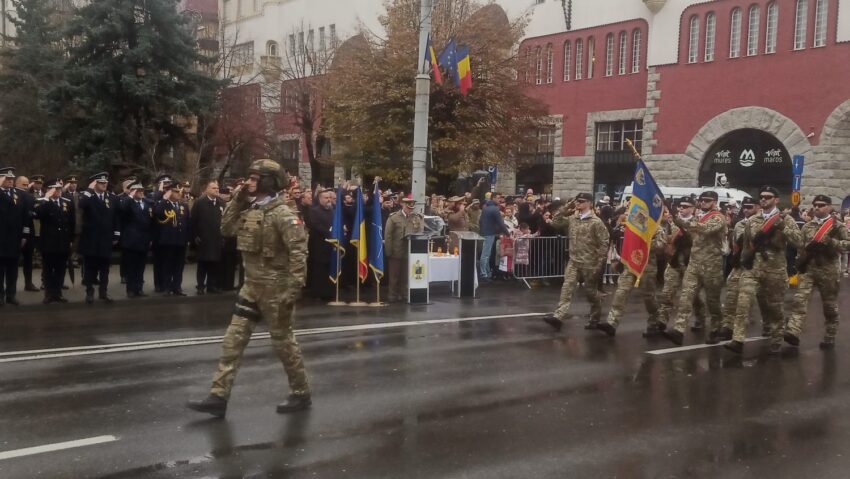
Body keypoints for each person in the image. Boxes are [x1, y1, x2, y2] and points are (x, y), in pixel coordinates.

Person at [187, 159, 311, 417]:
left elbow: (299, 254)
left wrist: (293, 290)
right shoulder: (252, 209)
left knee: (283, 344)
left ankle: (301, 392)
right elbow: (226, 228)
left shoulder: (284, 214)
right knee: (232, 341)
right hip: (251, 288)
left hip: (275, 291)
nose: (249, 182)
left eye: (255, 179)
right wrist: (238, 199)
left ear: (268, 181)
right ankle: (218, 396)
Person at [726, 186, 802, 354]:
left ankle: (776, 338)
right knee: (743, 301)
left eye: (768, 197)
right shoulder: (753, 220)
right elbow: (747, 244)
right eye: (761, 196)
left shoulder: (785, 219)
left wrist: (782, 226)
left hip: (775, 269)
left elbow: (798, 241)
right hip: (753, 268)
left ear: (776, 200)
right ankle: (737, 339)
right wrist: (743, 262)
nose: (763, 199)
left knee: (774, 307)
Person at [784, 195, 850, 349]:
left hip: (828, 270)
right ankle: (793, 331)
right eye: (815, 205)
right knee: (800, 300)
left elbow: (848, 244)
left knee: (829, 306)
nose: (817, 207)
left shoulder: (837, 226)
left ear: (829, 207)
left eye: (821, 205)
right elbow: (801, 245)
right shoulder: (808, 226)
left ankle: (830, 335)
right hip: (809, 269)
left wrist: (831, 242)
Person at [663, 191, 728, 345]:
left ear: (714, 202)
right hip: (694, 263)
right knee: (686, 295)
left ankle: (716, 328)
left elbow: (705, 229)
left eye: (707, 200)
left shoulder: (718, 217)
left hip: (711, 265)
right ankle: (679, 329)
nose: (703, 202)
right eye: (701, 200)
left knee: (712, 301)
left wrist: (682, 221)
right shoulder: (697, 217)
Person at [541, 193, 610, 331]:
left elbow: (604, 243)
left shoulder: (596, 222)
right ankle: (558, 316)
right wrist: (566, 207)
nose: (578, 203)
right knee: (567, 288)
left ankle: (595, 318)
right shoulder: (573, 218)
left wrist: (600, 264)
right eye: (577, 201)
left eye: (581, 201)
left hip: (590, 263)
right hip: (574, 261)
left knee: (591, 293)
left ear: (590, 203)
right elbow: (555, 222)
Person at [596, 215, 667, 337]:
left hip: (647, 266)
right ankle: (612, 323)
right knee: (621, 292)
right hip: (631, 264)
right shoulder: (633, 224)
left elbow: (661, 245)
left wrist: (644, 241)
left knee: (649, 297)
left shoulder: (655, 227)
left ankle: (654, 321)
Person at [656, 197, 707, 337]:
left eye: (685, 206)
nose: (682, 209)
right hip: (674, 262)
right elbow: (667, 238)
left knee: (693, 295)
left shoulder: (698, 222)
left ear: (693, 208)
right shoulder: (672, 222)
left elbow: (697, 240)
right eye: (680, 206)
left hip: (690, 263)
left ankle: (700, 317)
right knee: (667, 293)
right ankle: (662, 321)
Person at [718, 196, 758, 341]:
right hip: (740, 264)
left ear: (758, 207)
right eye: (744, 207)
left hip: (757, 265)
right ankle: (728, 326)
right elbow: (735, 244)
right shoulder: (739, 224)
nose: (746, 210)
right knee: (731, 294)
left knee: (763, 300)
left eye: (750, 207)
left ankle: (770, 325)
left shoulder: (764, 223)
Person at [78, 172, 120, 304]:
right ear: (95, 184)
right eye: (101, 183)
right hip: (91, 238)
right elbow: (81, 205)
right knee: (90, 268)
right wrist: (89, 190)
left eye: (105, 183)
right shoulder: (88, 196)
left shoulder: (112, 198)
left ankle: (103, 292)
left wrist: (116, 233)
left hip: (106, 238)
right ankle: (89, 292)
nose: (104, 185)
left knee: (104, 268)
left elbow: (116, 217)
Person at [33, 179, 75, 304]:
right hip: (48, 242)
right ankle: (49, 294)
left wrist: (71, 239)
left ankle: (58, 293)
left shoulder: (67, 202)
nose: (59, 190)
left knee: (60, 269)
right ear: (49, 189)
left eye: (60, 188)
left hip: (63, 241)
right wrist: (46, 198)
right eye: (56, 188)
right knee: (48, 269)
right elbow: (38, 214)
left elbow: (72, 222)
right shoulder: (42, 201)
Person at [0, 167, 31, 306]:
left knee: (12, 269)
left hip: (15, 237)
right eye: (7, 179)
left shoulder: (18, 194)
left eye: (12, 179)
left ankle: (11, 295)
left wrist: (25, 234)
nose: (10, 181)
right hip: (1, 238)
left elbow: (25, 215)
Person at [384, 196, 424, 303]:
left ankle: (404, 294)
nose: (410, 210)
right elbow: (388, 235)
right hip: (396, 251)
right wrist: (388, 251)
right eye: (408, 207)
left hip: (409, 251)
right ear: (403, 205)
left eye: (412, 208)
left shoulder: (416, 218)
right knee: (394, 276)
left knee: (405, 275)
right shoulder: (394, 217)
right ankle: (392, 295)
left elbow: (419, 232)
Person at [154, 182, 191, 296]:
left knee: (179, 266)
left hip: (181, 241)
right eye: (175, 191)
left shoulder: (183, 205)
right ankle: (166, 287)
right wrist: (164, 198)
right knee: (167, 265)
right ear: (169, 192)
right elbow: (158, 213)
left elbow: (187, 223)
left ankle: (177, 287)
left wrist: (188, 238)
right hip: (168, 241)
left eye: (179, 191)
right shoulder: (163, 204)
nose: (179, 193)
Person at [118, 182, 153, 298]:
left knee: (141, 266)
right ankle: (131, 289)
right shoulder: (128, 202)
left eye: (142, 190)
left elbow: (150, 220)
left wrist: (150, 237)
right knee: (131, 266)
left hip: (144, 239)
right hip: (131, 240)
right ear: (133, 192)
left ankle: (139, 288)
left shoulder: (147, 203)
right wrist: (130, 196)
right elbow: (122, 211)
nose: (141, 192)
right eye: (138, 191)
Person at [192, 180, 224, 294]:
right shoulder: (199, 202)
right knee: (203, 264)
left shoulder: (221, 202)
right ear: (207, 190)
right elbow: (193, 220)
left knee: (214, 264)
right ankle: (200, 286)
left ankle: (211, 285)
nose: (216, 190)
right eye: (214, 188)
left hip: (216, 239)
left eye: (217, 188)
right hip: (204, 239)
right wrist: (195, 235)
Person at [306, 188, 335, 300]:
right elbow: (315, 225)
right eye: (326, 198)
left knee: (329, 269)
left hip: (330, 244)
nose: (328, 200)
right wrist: (329, 232)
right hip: (319, 244)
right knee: (319, 270)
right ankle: (318, 293)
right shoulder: (314, 211)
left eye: (329, 198)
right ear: (320, 199)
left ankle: (329, 292)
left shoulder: (332, 210)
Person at [478, 198, 509, 282]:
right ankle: (484, 274)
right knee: (485, 254)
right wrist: (507, 233)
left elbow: (480, 221)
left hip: (484, 233)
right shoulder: (495, 209)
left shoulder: (485, 209)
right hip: (489, 233)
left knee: (486, 254)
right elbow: (501, 223)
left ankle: (487, 273)